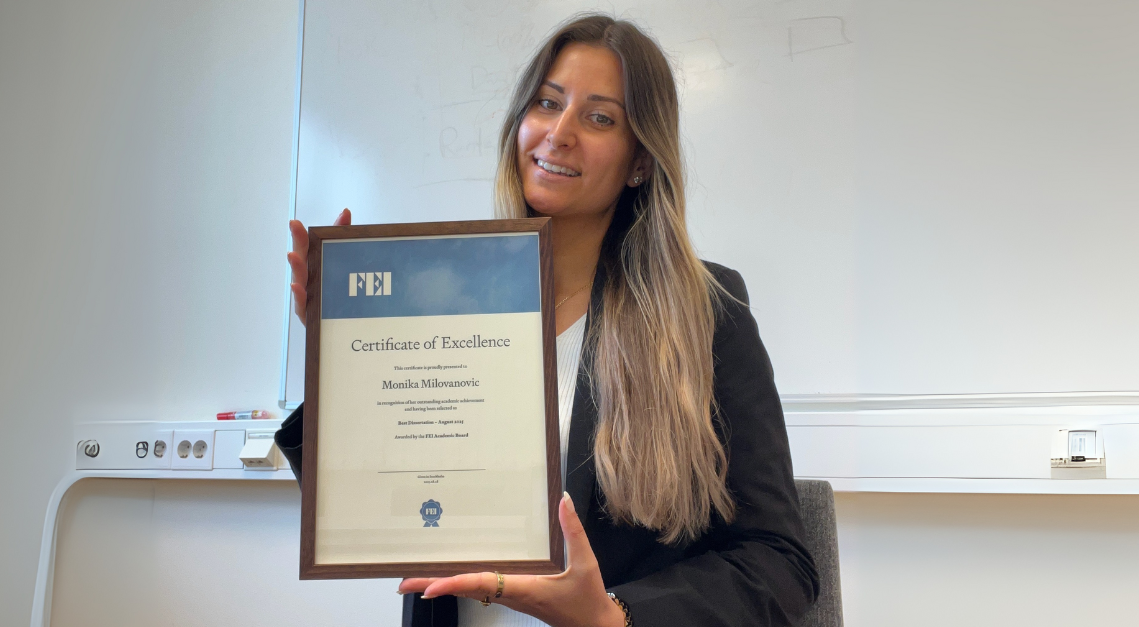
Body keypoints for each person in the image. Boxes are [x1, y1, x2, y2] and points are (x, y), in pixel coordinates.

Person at [277, 13, 818, 627]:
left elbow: (780, 563)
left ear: (641, 161)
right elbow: (379, 509)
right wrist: (343, 357)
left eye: (599, 118)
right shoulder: (439, 300)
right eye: (547, 103)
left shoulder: (704, 311)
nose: (559, 134)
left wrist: (615, 616)